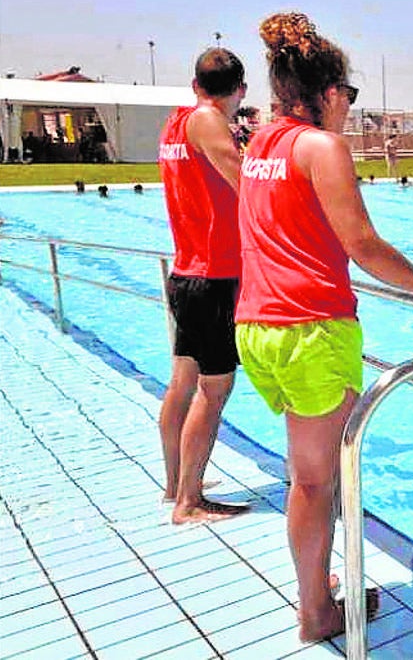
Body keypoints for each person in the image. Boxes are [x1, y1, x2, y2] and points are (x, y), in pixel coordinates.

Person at [237, 11, 413, 642]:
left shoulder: (261, 145)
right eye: (350, 97)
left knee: (307, 475)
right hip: (311, 329)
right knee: (315, 481)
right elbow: (362, 243)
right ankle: (315, 612)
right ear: (329, 93)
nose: (349, 111)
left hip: (257, 326)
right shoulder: (321, 147)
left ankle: (317, 585)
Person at [156, 47, 250, 524]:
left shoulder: (175, 122)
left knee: (183, 382)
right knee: (214, 391)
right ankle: (190, 502)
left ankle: (175, 484)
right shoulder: (210, 122)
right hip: (213, 275)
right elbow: (249, 186)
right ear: (240, 90)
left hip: (186, 271)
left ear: (195, 84)